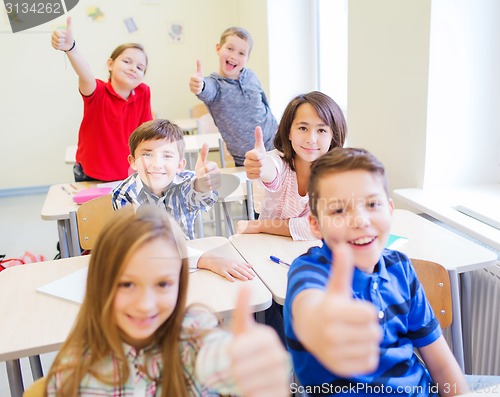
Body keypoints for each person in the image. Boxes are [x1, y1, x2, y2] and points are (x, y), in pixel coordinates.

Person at [44, 205, 290, 396]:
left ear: (180, 283)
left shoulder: (196, 331)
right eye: (127, 284)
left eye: (163, 284)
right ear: (101, 283)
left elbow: (228, 364)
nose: (145, 304)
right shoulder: (76, 375)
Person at [283, 147, 470, 396]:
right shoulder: (309, 272)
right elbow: (310, 308)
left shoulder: (400, 268)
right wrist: (323, 324)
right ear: (315, 225)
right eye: (339, 210)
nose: (360, 220)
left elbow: (443, 365)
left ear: (390, 210)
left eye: (372, 204)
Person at [112, 119, 254, 282]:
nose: (157, 164)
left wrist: (203, 185)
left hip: (191, 262)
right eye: (147, 154)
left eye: (167, 155)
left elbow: (200, 199)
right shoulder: (124, 194)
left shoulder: (187, 180)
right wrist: (206, 260)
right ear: (133, 162)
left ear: (180, 165)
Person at [51, 16, 153, 182]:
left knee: (126, 209)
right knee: (93, 209)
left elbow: (146, 133)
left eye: (140, 67)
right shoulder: (97, 91)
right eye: (127, 61)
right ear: (110, 64)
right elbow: (85, 74)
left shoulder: (143, 92)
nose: (133, 68)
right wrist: (71, 48)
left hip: (127, 174)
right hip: (90, 173)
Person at [237, 91, 347, 241]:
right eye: (303, 128)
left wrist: (260, 225)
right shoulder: (280, 163)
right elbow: (271, 170)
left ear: (332, 136)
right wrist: (261, 165)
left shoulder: (338, 176)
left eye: (321, 130)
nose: (311, 139)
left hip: (310, 251)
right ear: (289, 132)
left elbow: (320, 228)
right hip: (266, 246)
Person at [189, 26, 278, 166]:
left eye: (241, 53)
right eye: (230, 49)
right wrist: (200, 85)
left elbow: (265, 105)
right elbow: (206, 89)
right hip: (247, 160)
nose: (234, 56)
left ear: (247, 58)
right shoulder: (215, 85)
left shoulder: (251, 76)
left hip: (277, 147)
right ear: (218, 48)